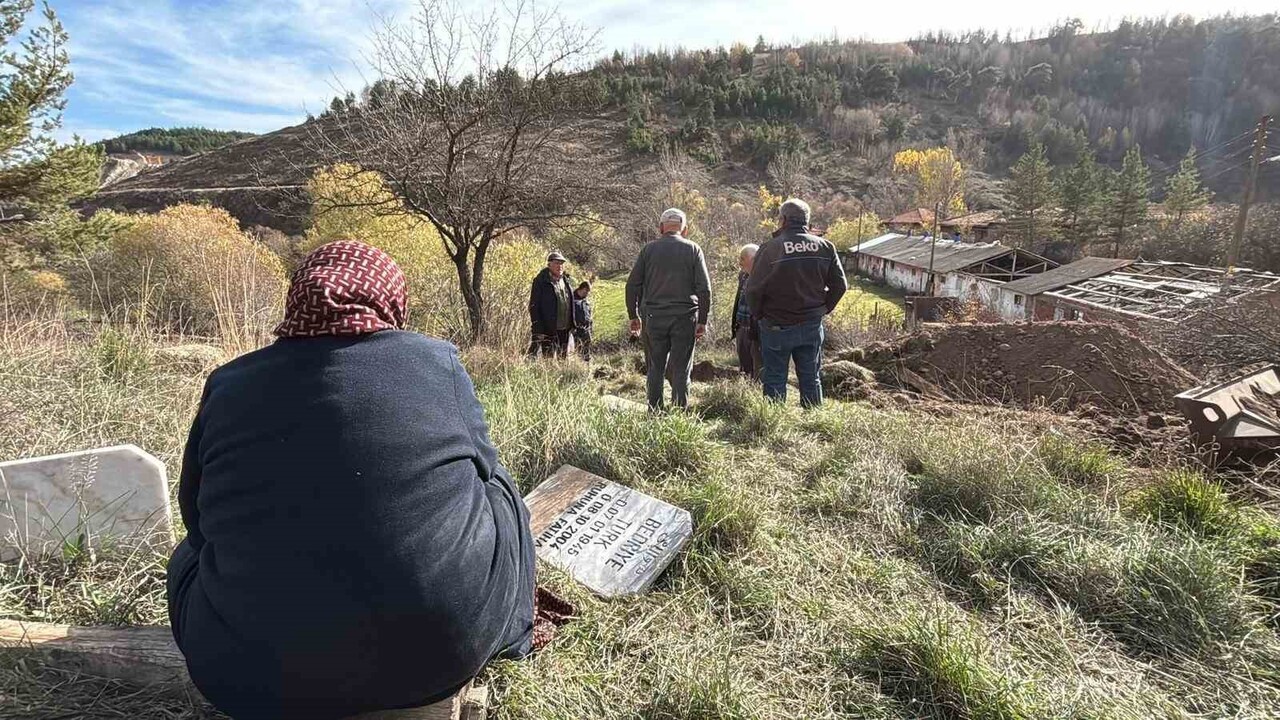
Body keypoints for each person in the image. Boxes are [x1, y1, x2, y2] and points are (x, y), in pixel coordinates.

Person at [166, 241, 535, 720]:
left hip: (244, 676)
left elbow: (196, 519)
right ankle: (513, 631)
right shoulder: (435, 361)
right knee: (499, 489)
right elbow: (483, 469)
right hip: (439, 656)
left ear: (297, 300)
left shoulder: (229, 382)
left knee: (185, 556)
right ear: (390, 302)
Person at [745, 198, 848, 408]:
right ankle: (814, 422)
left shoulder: (770, 248)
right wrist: (823, 309)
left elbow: (753, 290)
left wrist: (760, 316)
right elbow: (840, 286)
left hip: (776, 325)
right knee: (811, 377)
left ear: (783, 220)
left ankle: (774, 426)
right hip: (811, 324)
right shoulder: (825, 247)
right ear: (807, 222)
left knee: (774, 379)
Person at [625, 208, 712, 411]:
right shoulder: (693, 249)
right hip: (685, 318)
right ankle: (680, 412)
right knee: (682, 368)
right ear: (685, 229)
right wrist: (703, 320)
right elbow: (704, 289)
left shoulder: (648, 250)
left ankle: (654, 411)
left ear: (661, 228)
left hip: (654, 318)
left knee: (655, 367)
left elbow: (632, 285)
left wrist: (633, 315)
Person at [528, 251, 577, 359]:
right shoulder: (540, 281)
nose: (559, 266)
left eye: (561, 263)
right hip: (548, 328)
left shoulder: (565, 280)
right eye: (556, 263)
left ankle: (562, 374)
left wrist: (572, 324)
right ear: (549, 264)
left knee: (563, 358)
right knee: (548, 359)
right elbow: (533, 306)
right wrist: (537, 328)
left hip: (565, 328)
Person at [730, 244, 763, 380]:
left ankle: (759, 396)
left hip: (756, 330)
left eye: (743, 259)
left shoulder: (764, 276)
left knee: (758, 367)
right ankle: (745, 394)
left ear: (754, 259)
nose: (740, 262)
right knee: (744, 367)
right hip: (741, 328)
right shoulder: (742, 276)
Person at [572, 281, 594, 362]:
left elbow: (589, 316)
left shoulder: (586, 301)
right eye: (586, 291)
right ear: (582, 289)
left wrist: (590, 330)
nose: (587, 294)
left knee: (586, 352)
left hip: (586, 330)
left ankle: (587, 366)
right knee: (577, 351)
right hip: (576, 330)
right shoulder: (571, 299)